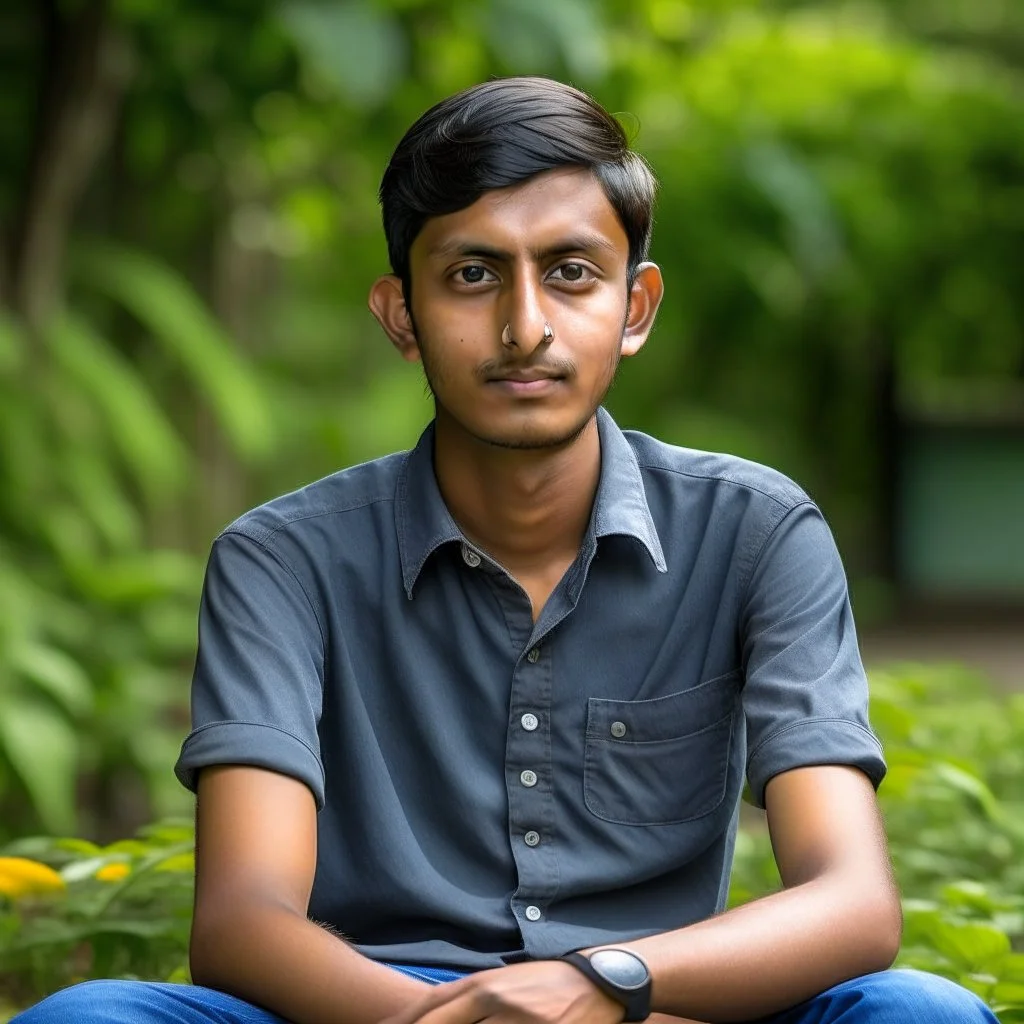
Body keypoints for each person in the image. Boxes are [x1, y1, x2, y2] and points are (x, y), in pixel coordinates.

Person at [15, 76, 996, 1024]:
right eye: (472, 274)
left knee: (917, 1010)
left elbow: (852, 901)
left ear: (636, 307)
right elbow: (242, 922)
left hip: (650, 999)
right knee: (92, 1015)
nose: (524, 327)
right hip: (375, 1012)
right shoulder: (282, 561)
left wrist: (604, 985)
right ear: (402, 315)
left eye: (570, 272)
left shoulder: (755, 532)